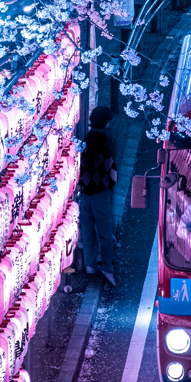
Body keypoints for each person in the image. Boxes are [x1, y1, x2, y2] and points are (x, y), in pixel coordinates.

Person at [78, 105, 117, 286]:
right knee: (105, 232)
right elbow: (110, 167)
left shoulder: (86, 140)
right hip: (100, 193)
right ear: (106, 122)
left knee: (88, 230)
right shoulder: (105, 141)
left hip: (86, 192)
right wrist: (111, 183)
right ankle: (107, 266)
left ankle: (90, 265)